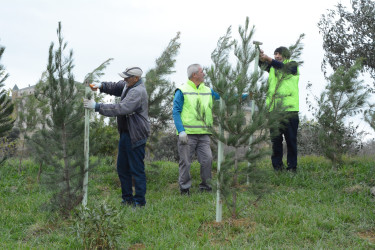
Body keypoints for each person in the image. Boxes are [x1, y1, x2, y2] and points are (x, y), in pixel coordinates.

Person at [83, 67, 150, 206]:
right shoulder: (128, 85)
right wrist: (101, 85)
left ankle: (139, 202)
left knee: (136, 169)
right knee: (122, 168)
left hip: (136, 134)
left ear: (136, 78)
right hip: (126, 133)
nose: (124, 80)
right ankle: (127, 200)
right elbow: (116, 86)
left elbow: (121, 108)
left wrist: (97, 106)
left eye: (127, 78)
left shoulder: (138, 91)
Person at [173, 64, 218, 195]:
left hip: (204, 134)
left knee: (207, 160)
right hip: (187, 134)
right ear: (195, 75)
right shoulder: (182, 90)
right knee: (185, 162)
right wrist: (181, 130)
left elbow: (224, 97)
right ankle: (185, 189)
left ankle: (206, 187)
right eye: (201, 71)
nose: (204, 73)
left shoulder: (208, 90)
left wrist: (245, 96)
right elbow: (176, 111)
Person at [259, 47, 300, 172]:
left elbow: (283, 67)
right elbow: (261, 65)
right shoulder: (272, 67)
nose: (276, 56)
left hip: (289, 110)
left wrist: (269, 59)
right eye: (275, 54)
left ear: (285, 55)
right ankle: (277, 167)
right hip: (274, 110)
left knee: (291, 140)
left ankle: (292, 167)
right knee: (276, 140)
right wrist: (259, 57)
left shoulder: (293, 65)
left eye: (279, 54)